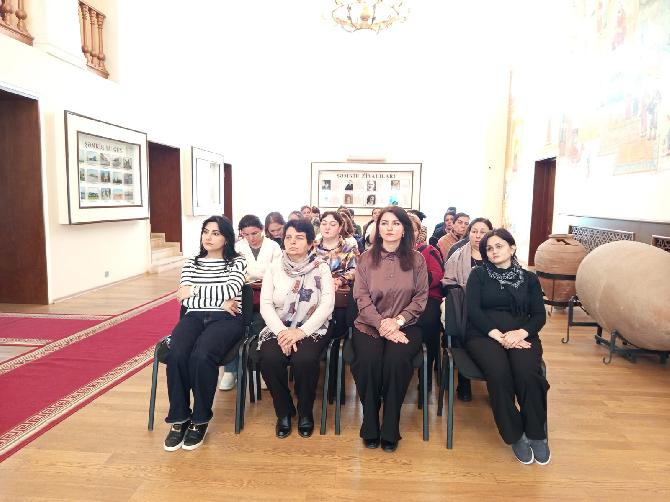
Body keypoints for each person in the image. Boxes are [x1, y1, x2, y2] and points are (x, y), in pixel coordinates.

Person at [465, 228, 550, 465]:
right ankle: (515, 434)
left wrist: (520, 333)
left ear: (512, 248)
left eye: (499, 246)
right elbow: (474, 311)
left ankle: (536, 433)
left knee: (527, 373)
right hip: (484, 335)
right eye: (489, 248)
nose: (493, 251)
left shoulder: (530, 279)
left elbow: (539, 316)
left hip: (521, 335)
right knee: (499, 373)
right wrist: (499, 336)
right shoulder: (478, 275)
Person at [163, 216, 247, 451]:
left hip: (227, 320)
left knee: (202, 355)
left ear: (226, 238)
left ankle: (200, 419)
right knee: (176, 354)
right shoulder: (191, 262)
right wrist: (219, 300)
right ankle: (179, 417)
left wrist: (194, 290)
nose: (208, 237)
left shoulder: (237, 262)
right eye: (206, 232)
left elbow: (230, 289)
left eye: (216, 233)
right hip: (194, 316)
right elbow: (183, 297)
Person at [351, 206, 428, 453]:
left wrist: (398, 322)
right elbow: (361, 297)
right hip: (369, 324)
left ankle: (391, 424)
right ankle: (370, 421)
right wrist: (383, 324)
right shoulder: (365, 258)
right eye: (384, 223)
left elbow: (421, 298)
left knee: (396, 362)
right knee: (368, 361)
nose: (390, 228)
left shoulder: (417, 260)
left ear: (404, 229)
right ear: (377, 227)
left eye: (396, 223)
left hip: (406, 325)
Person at [257, 219, 335, 439]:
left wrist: (301, 332)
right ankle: (283, 411)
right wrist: (282, 332)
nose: (292, 242)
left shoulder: (321, 268)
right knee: (269, 358)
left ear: (310, 243)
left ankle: (305, 411)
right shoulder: (274, 267)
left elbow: (327, 304)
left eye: (299, 238)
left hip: (313, 326)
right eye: (288, 237)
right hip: (279, 325)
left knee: (305, 359)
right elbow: (266, 304)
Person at [219, 214, 282, 391]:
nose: (251, 238)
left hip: (266, 294)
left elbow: (277, 272)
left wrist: (256, 277)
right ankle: (231, 371)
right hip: (241, 294)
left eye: (254, 233)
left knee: (260, 326)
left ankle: (261, 370)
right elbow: (231, 272)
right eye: (246, 234)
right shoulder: (237, 247)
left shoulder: (273, 247)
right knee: (233, 325)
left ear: (262, 230)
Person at [441, 217, 493, 401]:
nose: (478, 236)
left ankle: (496, 382)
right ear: (469, 233)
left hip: (491, 307)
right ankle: (464, 381)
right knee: (460, 324)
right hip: (464, 305)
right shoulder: (457, 254)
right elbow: (447, 283)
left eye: (483, 232)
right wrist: (468, 294)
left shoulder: (497, 254)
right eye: (474, 231)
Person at [407, 212, 444, 390]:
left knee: (428, 321)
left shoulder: (429, 250)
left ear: (418, 232)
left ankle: (426, 374)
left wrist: (414, 282)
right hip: (401, 299)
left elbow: (438, 274)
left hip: (428, 297)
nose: (409, 232)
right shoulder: (392, 252)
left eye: (413, 229)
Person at [315, 211, 359, 339]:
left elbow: (355, 270)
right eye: (324, 223)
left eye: (332, 224)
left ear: (340, 227)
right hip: (316, 291)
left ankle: (336, 342)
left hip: (339, 292)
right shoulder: (312, 247)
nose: (327, 227)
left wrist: (340, 280)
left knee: (339, 322)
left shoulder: (349, 247)